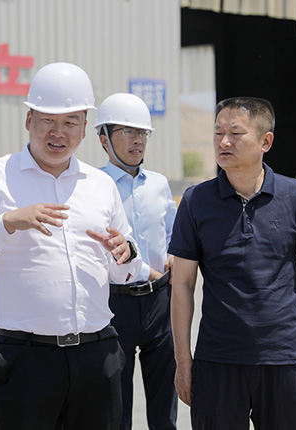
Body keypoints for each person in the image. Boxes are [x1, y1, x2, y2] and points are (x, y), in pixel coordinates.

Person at [0, 62, 143, 430]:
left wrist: (126, 253)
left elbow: (126, 269)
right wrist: (7, 222)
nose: (59, 133)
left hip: (97, 354)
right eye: (48, 121)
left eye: (71, 122)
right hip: (27, 359)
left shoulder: (100, 185)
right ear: (29, 120)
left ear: (84, 128)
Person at [169, 97, 296, 430]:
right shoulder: (196, 201)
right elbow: (183, 284)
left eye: (235, 133)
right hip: (217, 361)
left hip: (284, 358)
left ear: (265, 141)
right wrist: (183, 361)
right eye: (218, 133)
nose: (224, 142)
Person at [94, 93, 178, 430]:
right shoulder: (93, 186)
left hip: (160, 301)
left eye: (142, 132)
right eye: (128, 132)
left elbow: (172, 233)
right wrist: (145, 270)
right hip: (115, 303)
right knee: (116, 404)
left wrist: (174, 255)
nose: (137, 140)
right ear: (104, 139)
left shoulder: (159, 184)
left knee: (165, 397)